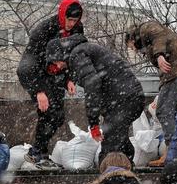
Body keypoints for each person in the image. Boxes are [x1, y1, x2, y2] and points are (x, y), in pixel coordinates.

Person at [46, 35, 144, 164]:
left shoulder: (77, 54)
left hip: (125, 99)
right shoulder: (82, 51)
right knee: (117, 139)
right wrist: (68, 81)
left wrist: (93, 123)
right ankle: (125, 167)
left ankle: (111, 171)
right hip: (129, 98)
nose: (58, 66)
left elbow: (92, 84)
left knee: (110, 145)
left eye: (56, 62)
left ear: (61, 54)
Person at [17, 0, 83, 169]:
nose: (71, 24)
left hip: (57, 76)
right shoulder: (43, 30)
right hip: (37, 74)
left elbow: (76, 55)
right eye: (69, 20)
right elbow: (25, 67)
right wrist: (38, 91)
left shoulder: (77, 30)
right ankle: (36, 153)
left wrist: (70, 79)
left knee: (58, 117)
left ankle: (39, 153)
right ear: (62, 15)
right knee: (49, 112)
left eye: (75, 20)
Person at [125, 21, 177, 164]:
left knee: (164, 110)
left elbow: (158, 33)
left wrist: (159, 55)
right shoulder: (149, 43)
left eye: (131, 46)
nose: (134, 50)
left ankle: (172, 152)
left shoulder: (146, 28)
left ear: (132, 38)